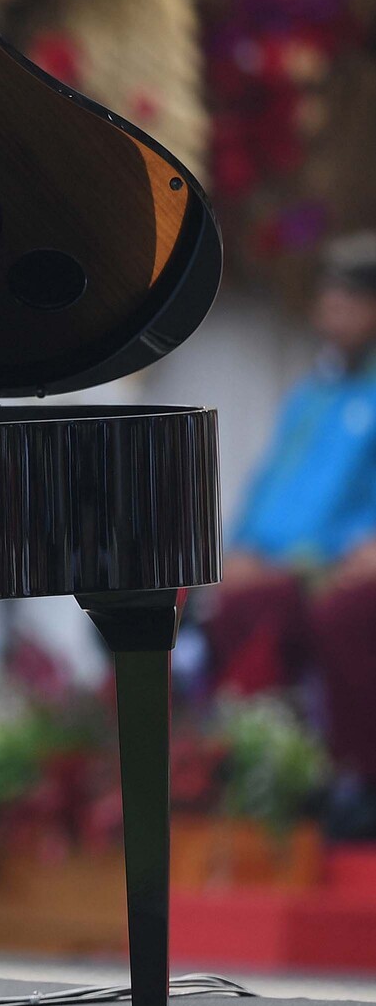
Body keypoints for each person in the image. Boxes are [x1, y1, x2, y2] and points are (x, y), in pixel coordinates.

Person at [208, 230, 376, 834]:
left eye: (346, 301)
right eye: (326, 299)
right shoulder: (310, 397)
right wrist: (242, 550)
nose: (328, 312)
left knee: (339, 614)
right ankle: (264, 778)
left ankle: (358, 783)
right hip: (282, 566)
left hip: (337, 565)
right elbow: (271, 487)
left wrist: (323, 555)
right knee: (224, 607)